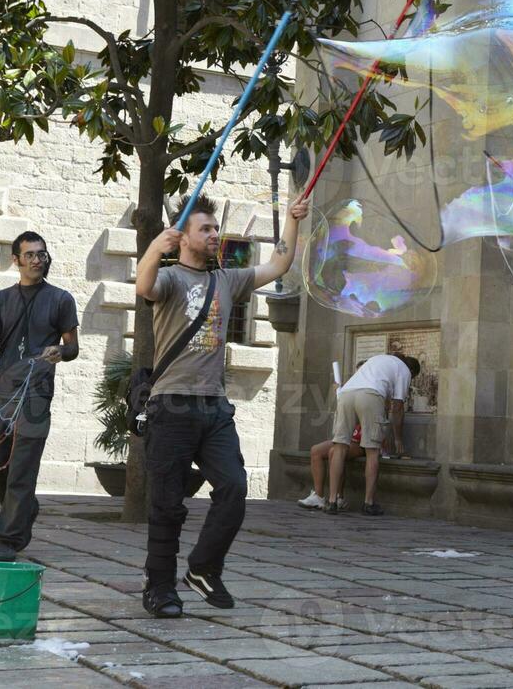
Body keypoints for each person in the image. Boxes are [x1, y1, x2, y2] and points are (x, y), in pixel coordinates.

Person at [134, 194, 308, 619]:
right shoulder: (171, 278)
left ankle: (203, 568)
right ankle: (160, 588)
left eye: (216, 229)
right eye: (206, 229)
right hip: (171, 405)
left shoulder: (228, 280)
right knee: (167, 505)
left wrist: (292, 221)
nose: (215, 235)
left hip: (214, 407)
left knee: (234, 488)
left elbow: (279, 264)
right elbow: (143, 286)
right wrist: (155, 249)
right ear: (184, 237)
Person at [0, 232, 79, 562]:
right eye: (29, 254)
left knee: (22, 465)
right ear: (16, 260)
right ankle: (23, 507)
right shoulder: (0, 300)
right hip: (1, 388)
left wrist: (60, 350)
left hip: (36, 392)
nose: (36, 259)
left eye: (41, 254)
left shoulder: (61, 299)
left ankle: (8, 538)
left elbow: (72, 347)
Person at [325, 352, 418, 515]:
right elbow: (397, 407)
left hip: (346, 394)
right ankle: (368, 503)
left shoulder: (379, 359)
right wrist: (397, 439)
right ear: (412, 371)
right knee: (372, 451)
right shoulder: (404, 370)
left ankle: (332, 500)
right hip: (370, 395)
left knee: (339, 447)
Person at [298, 426, 365, 509]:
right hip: (345, 438)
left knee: (334, 452)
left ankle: (338, 497)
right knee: (316, 451)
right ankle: (318, 497)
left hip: (361, 443)